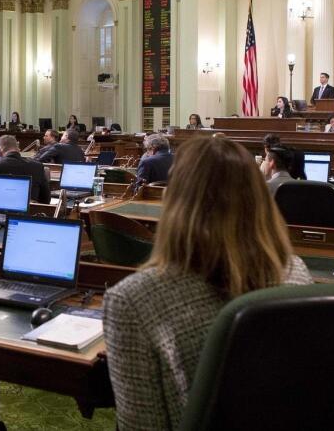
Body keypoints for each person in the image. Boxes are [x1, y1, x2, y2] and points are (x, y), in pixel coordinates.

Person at [104, 136, 313, 430]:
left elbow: (141, 424)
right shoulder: (295, 270)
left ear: (174, 201)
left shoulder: (133, 300)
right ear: (259, 199)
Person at [0, 135, 51, 204]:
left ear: (0, 152)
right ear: (18, 150)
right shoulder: (37, 167)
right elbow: (46, 200)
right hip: (30, 214)